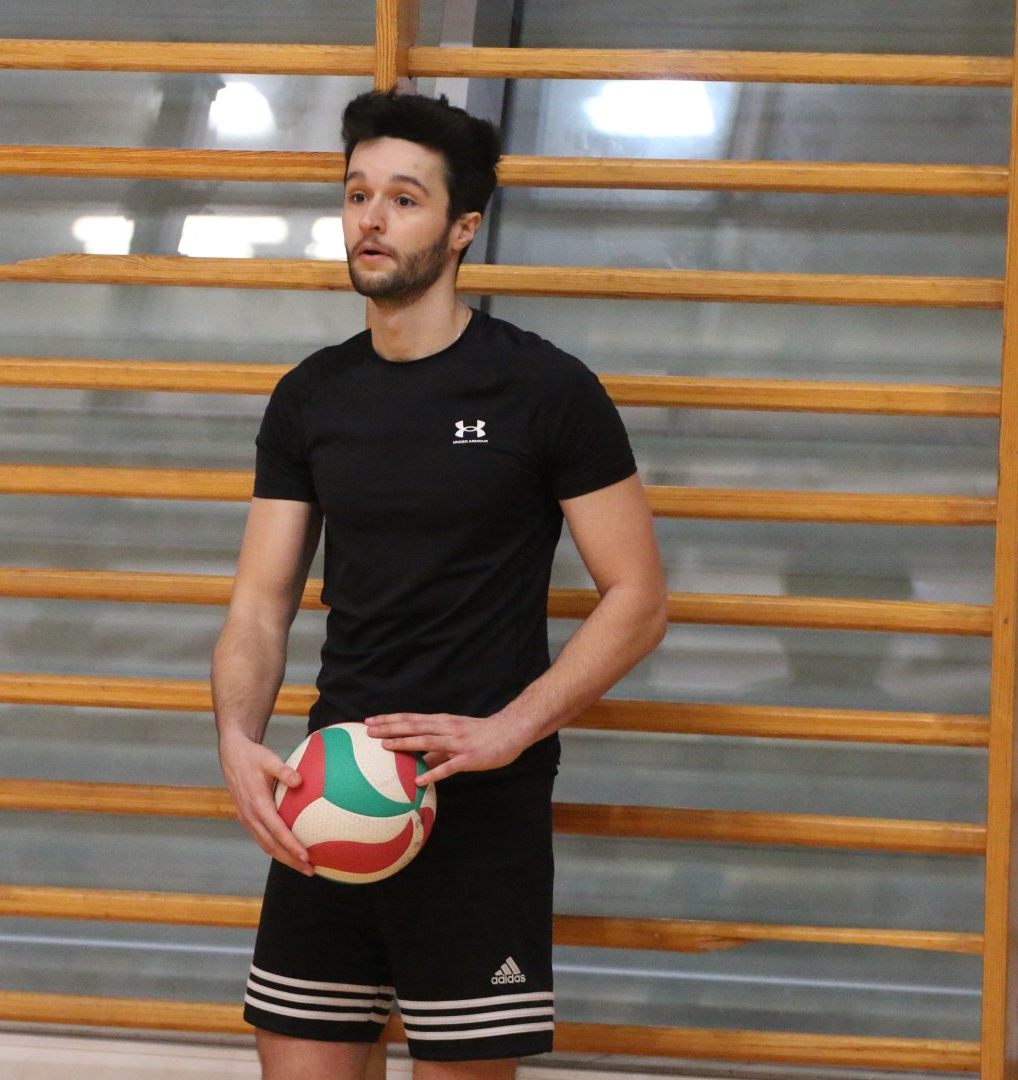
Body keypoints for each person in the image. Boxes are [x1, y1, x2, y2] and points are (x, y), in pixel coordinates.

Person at [211, 89, 667, 1080]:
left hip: (481, 806)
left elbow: (638, 598)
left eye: (404, 198)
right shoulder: (311, 397)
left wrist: (510, 730)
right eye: (357, 194)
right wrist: (238, 740)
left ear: (464, 227)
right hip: (329, 792)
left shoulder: (546, 390)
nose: (371, 218)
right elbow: (260, 603)